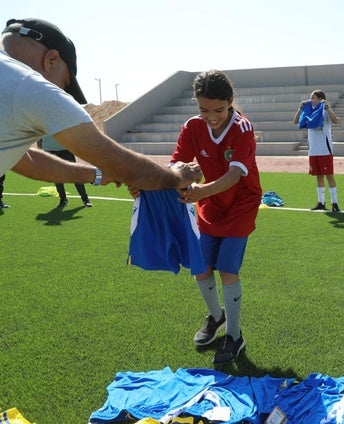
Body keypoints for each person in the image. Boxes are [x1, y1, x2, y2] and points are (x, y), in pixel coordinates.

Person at [1, 18, 201, 191]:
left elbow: (26, 160)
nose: (62, 92)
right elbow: (120, 163)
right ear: (52, 59)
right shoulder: (33, 87)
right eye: (65, 83)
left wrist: (96, 174)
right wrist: (176, 176)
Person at [167, 70, 262, 364]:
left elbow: (235, 175)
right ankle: (216, 316)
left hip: (240, 204)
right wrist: (168, 179)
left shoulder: (243, 128)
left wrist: (201, 191)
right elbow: (176, 163)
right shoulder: (192, 127)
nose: (211, 116)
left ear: (230, 101)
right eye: (203, 109)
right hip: (209, 203)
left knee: (228, 270)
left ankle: (235, 336)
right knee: (201, 267)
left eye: (218, 110)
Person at [293, 89, 342, 212]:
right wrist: (300, 108)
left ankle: (335, 203)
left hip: (325, 150)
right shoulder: (309, 112)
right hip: (313, 150)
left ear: (321, 99)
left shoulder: (325, 112)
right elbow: (295, 122)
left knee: (329, 175)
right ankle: (321, 202)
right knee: (318, 176)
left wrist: (327, 108)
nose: (311, 100)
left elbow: (336, 121)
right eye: (311, 98)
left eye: (314, 98)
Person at [38, 134, 92, 207]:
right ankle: (63, 200)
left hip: (65, 150)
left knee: (75, 175)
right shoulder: (41, 123)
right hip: (49, 151)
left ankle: (85, 199)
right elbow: (38, 137)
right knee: (56, 177)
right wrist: (41, 151)